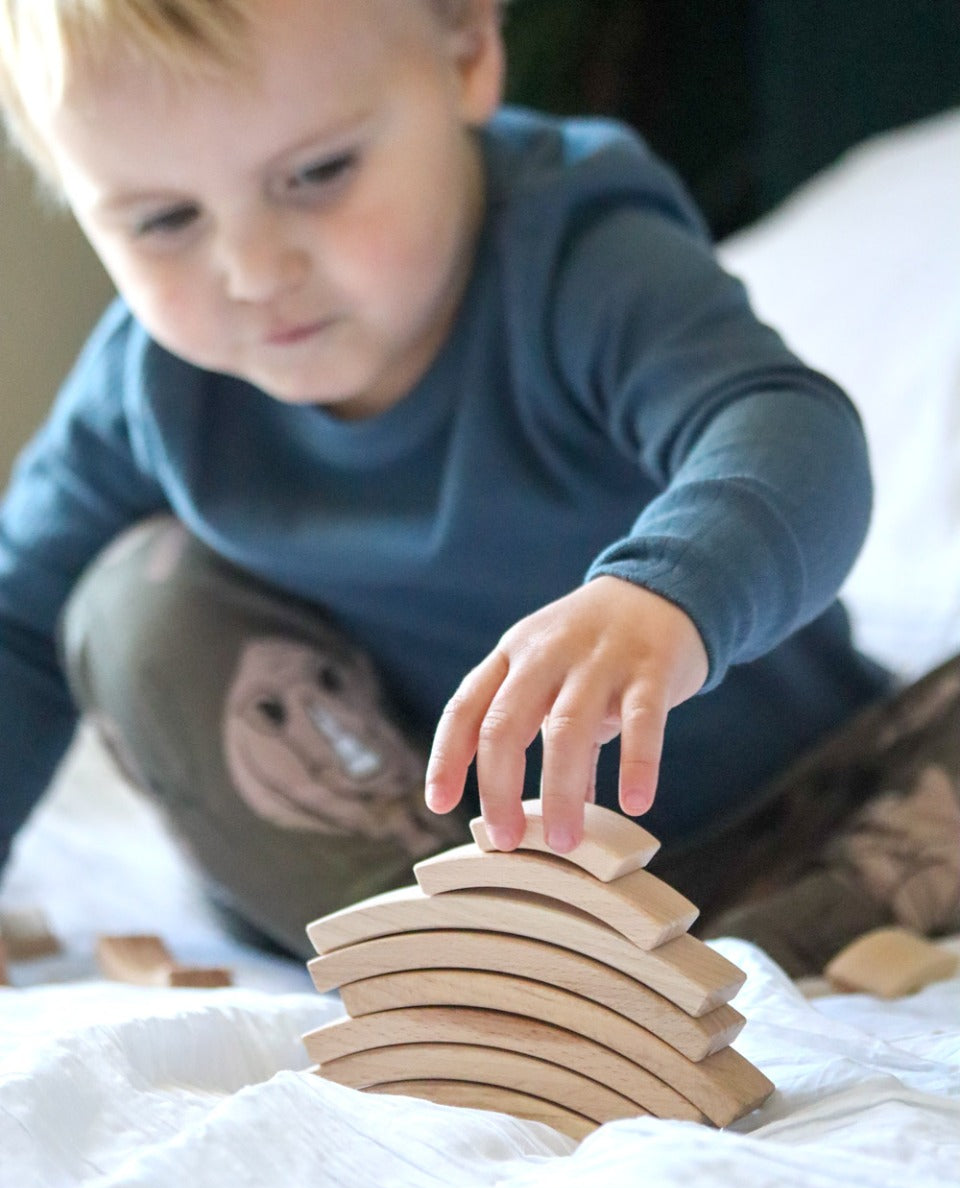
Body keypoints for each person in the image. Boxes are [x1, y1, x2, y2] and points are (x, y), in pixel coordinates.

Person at [0, 0, 890, 959]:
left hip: (796, 814)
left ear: (466, 54)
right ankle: (451, 961)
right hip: (429, 868)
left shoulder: (577, 250)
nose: (254, 269)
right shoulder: (149, 387)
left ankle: (808, 922)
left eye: (318, 173)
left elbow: (790, 431)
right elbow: (17, 633)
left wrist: (665, 594)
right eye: (164, 220)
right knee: (130, 601)